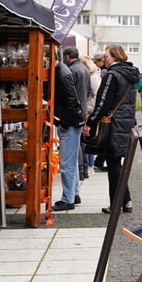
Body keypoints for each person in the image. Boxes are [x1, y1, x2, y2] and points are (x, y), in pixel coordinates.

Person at [83, 45, 140, 214]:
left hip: (112, 124)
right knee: (116, 162)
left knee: (113, 162)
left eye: (106, 56)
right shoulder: (130, 75)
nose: (104, 59)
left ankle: (116, 204)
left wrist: (90, 123)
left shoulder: (112, 75)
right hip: (125, 123)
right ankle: (126, 200)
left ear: (115, 57)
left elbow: (102, 103)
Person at [52, 60, 85, 212]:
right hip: (73, 122)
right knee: (71, 162)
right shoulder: (63, 71)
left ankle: (68, 199)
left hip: (70, 124)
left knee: (67, 164)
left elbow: (72, 101)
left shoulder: (62, 74)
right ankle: (74, 194)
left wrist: (64, 122)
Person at [64, 47, 90, 183]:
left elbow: (69, 94)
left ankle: (80, 170)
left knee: (76, 144)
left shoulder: (72, 70)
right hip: (83, 109)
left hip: (75, 111)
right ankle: (84, 169)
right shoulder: (85, 69)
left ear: (67, 56)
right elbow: (89, 90)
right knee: (81, 142)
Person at [80, 55, 101, 173]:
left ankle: (89, 165)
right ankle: (89, 165)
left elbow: (95, 96)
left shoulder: (93, 78)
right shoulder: (93, 76)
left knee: (88, 138)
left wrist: (88, 109)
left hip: (90, 111)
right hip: (90, 109)